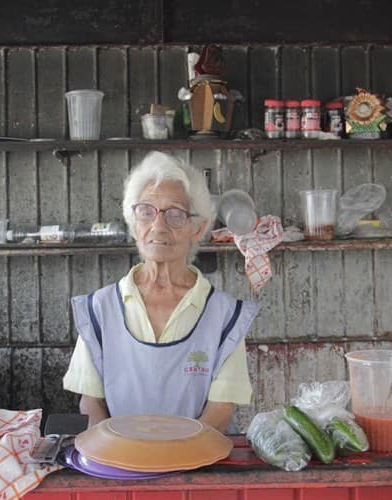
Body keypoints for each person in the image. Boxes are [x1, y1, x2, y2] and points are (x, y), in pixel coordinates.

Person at [63, 151, 259, 433]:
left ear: (198, 227)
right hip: (120, 465)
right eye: (146, 212)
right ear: (133, 224)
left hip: (194, 465)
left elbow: (220, 409)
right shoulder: (99, 309)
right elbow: (91, 403)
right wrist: (120, 453)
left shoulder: (225, 315)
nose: (158, 226)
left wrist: (172, 457)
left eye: (175, 215)